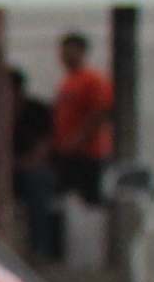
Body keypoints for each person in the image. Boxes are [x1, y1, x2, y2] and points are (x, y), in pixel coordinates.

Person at [49, 30, 115, 220]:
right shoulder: (67, 82)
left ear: (81, 51)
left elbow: (100, 112)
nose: (64, 56)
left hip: (90, 153)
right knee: (66, 203)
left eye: (69, 51)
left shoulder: (93, 80)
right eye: (62, 51)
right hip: (68, 153)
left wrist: (78, 139)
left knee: (92, 204)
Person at [12, 66, 64, 263]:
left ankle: (40, 248)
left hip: (30, 170)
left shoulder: (37, 112)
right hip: (3, 172)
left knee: (39, 182)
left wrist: (23, 163)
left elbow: (44, 147)